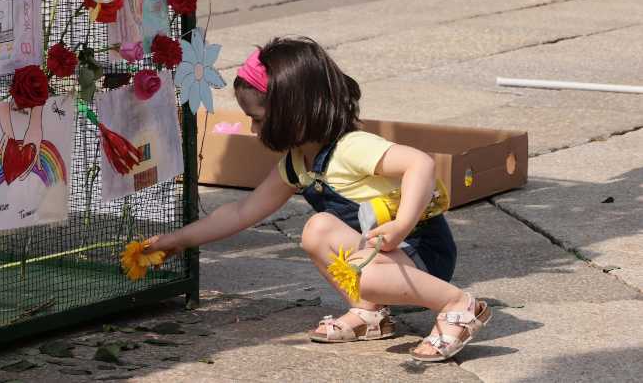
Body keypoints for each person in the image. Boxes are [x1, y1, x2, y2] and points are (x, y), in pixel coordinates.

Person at [144, 36, 491, 361]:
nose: (252, 130)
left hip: (421, 251)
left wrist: (401, 225)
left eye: (258, 119)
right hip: (379, 255)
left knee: (364, 274)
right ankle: (368, 313)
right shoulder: (297, 163)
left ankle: (459, 305)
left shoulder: (352, 147)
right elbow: (242, 211)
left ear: (296, 110)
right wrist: (178, 239)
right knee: (317, 229)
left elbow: (421, 163)